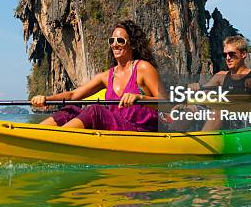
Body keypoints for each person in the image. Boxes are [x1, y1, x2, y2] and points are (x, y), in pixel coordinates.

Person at [30, 20, 164, 131]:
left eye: (120, 41)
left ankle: (55, 140)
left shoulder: (143, 68)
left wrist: (140, 97)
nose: (115, 44)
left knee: (95, 110)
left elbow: (167, 103)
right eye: (112, 41)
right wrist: (46, 99)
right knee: (70, 110)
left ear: (133, 44)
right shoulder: (106, 76)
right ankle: (34, 135)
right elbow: (73, 95)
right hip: (116, 129)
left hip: (140, 130)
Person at [201, 35, 251, 131]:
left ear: (243, 54)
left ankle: (198, 144)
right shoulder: (220, 76)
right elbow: (201, 93)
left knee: (219, 110)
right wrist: (192, 90)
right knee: (189, 109)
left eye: (232, 54)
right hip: (227, 119)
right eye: (225, 55)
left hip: (249, 120)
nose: (227, 58)